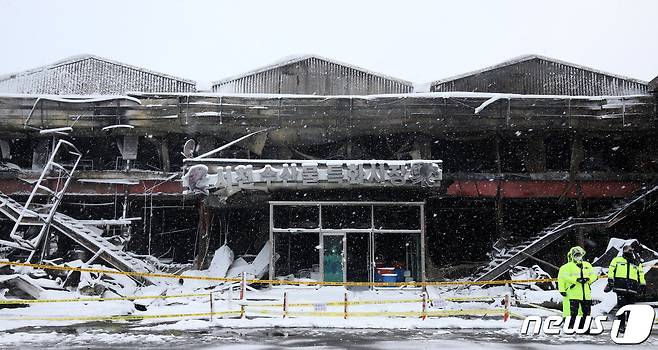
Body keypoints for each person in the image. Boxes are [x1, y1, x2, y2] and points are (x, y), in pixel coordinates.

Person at [605, 243, 646, 332]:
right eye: (628, 250)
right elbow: (611, 270)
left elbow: (641, 274)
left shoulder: (636, 262)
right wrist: (610, 280)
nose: (630, 252)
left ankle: (630, 326)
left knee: (631, 308)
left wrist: (643, 284)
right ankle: (621, 326)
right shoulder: (617, 260)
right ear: (623, 251)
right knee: (622, 308)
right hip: (620, 287)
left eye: (631, 250)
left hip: (632, 288)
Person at [558, 246, 598, 329]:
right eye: (576, 255)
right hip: (573, 293)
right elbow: (563, 278)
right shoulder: (567, 267)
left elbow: (594, 275)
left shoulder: (587, 265)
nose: (578, 256)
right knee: (573, 312)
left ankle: (584, 327)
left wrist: (589, 279)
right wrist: (576, 280)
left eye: (579, 254)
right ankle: (571, 326)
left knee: (586, 312)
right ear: (572, 256)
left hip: (586, 294)